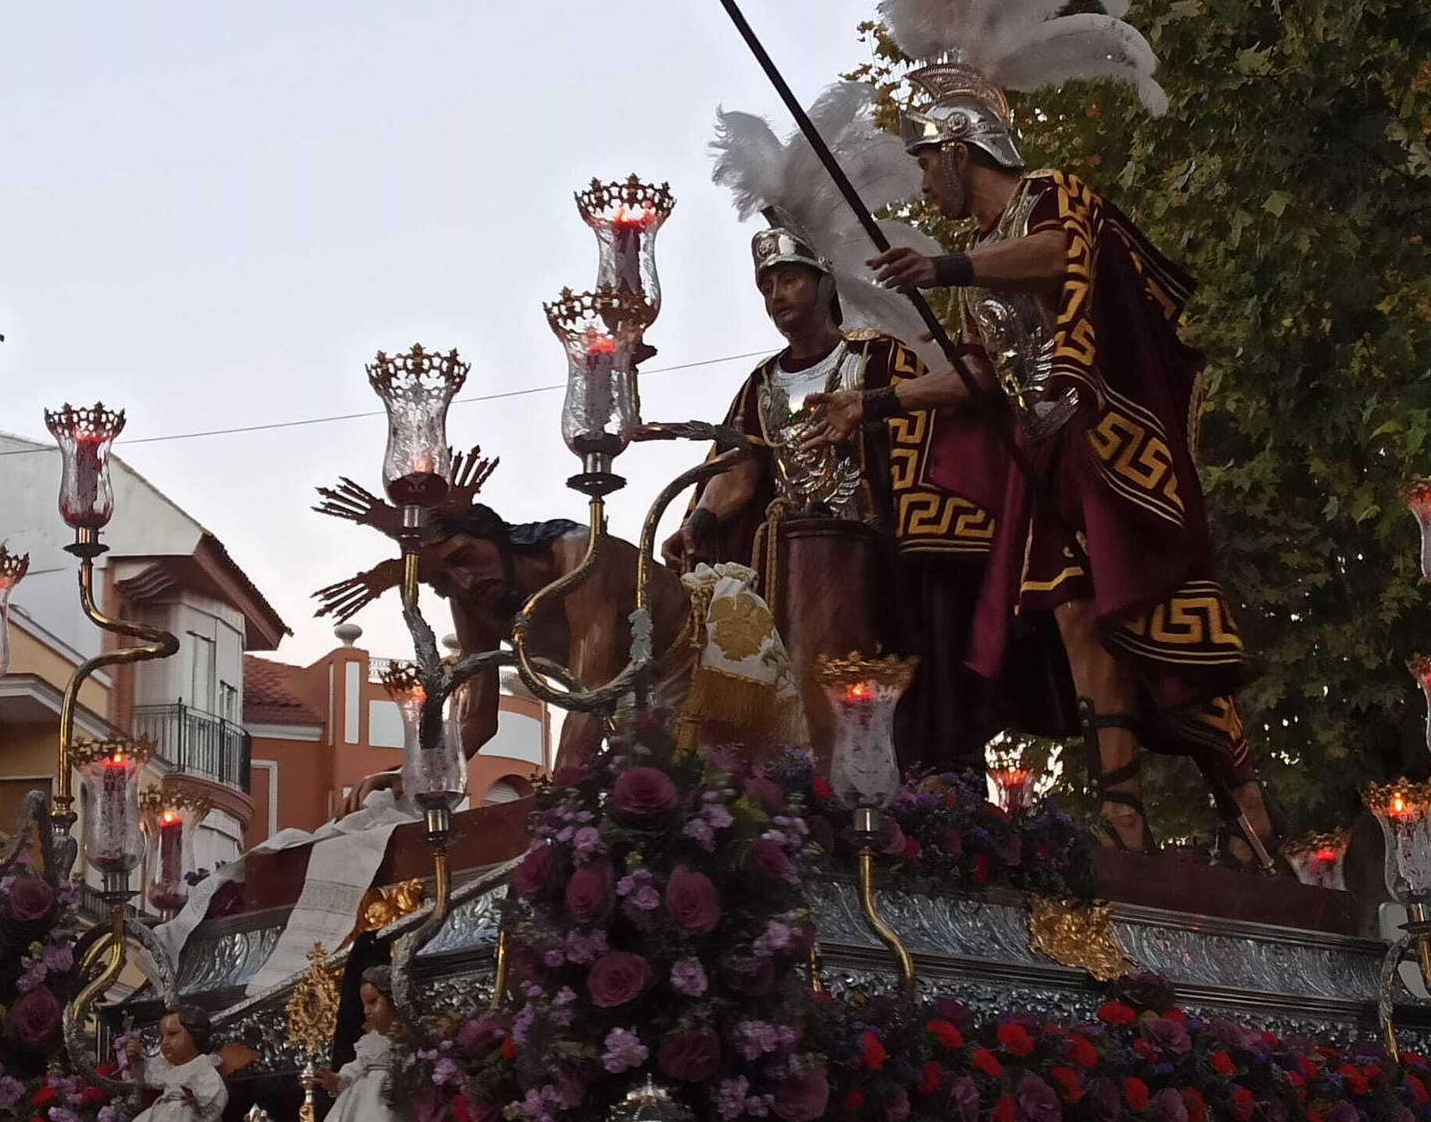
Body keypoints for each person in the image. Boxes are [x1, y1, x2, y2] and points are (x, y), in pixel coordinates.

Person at [801, 63, 1280, 867]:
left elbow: (1061, 257)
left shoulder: (1052, 193)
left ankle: (1251, 802)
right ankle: (1123, 813)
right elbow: (981, 372)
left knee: (1145, 611)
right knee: (1073, 615)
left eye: (926, 159)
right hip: (1044, 446)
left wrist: (944, 269)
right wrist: (871, 406)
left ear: (961, 147)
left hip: (1106, 435)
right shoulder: (980, 253)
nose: (924, 181)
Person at [660, 206, 1065, 770]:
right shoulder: (759, 384)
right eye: (768, 286)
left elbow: (928, 438)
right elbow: (740, 467)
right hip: (787, 567)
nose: (777, 295)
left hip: (879, 561)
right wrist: (699, 523)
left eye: (790, 279)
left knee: (894, 690)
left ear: (825, 283)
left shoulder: (877, 358)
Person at [314, 458, 803, 770]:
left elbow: (590, 689)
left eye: (462, 559)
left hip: (709, 649)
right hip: (636, 695)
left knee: (757, 784)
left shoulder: (576, 556)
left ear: (494, 535)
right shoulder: (472, 603)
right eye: (439, 582)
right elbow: (478, 722)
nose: (462, 585)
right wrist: (409, 779)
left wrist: (560, 810)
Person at [317, 966, 409, 1122]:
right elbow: (357, 1067)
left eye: (373, 1002)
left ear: (394, 999)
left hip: (388, 1102)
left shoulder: (412, 1034)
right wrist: (339, 1080)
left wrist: (404, 1040)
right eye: (365, 1005)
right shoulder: (369, 1041)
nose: (367, 1011)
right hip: (358, 1103)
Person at [127, 1005, 229, 1122]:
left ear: (194, 1034)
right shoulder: (167, 1067)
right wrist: (137, 1059)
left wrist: (198, 1103)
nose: (165, 1042)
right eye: (162, 1037)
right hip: (163, 1113)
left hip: (187, 1113)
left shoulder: (201, 1064)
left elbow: (217, 1093)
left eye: (172, 1034)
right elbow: (147, 1076)